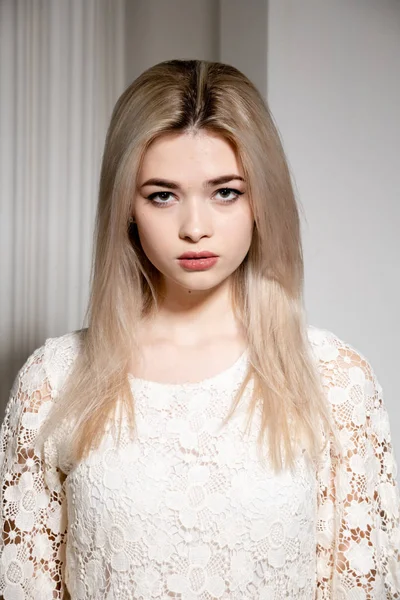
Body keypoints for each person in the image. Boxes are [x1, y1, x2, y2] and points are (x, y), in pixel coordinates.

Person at [0, 59, 399, 599]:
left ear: (263, 201)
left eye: (226, 192)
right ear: (127, 209)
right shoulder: (53, 382)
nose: (194, 228)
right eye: (162, 195)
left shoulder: (335, 384)